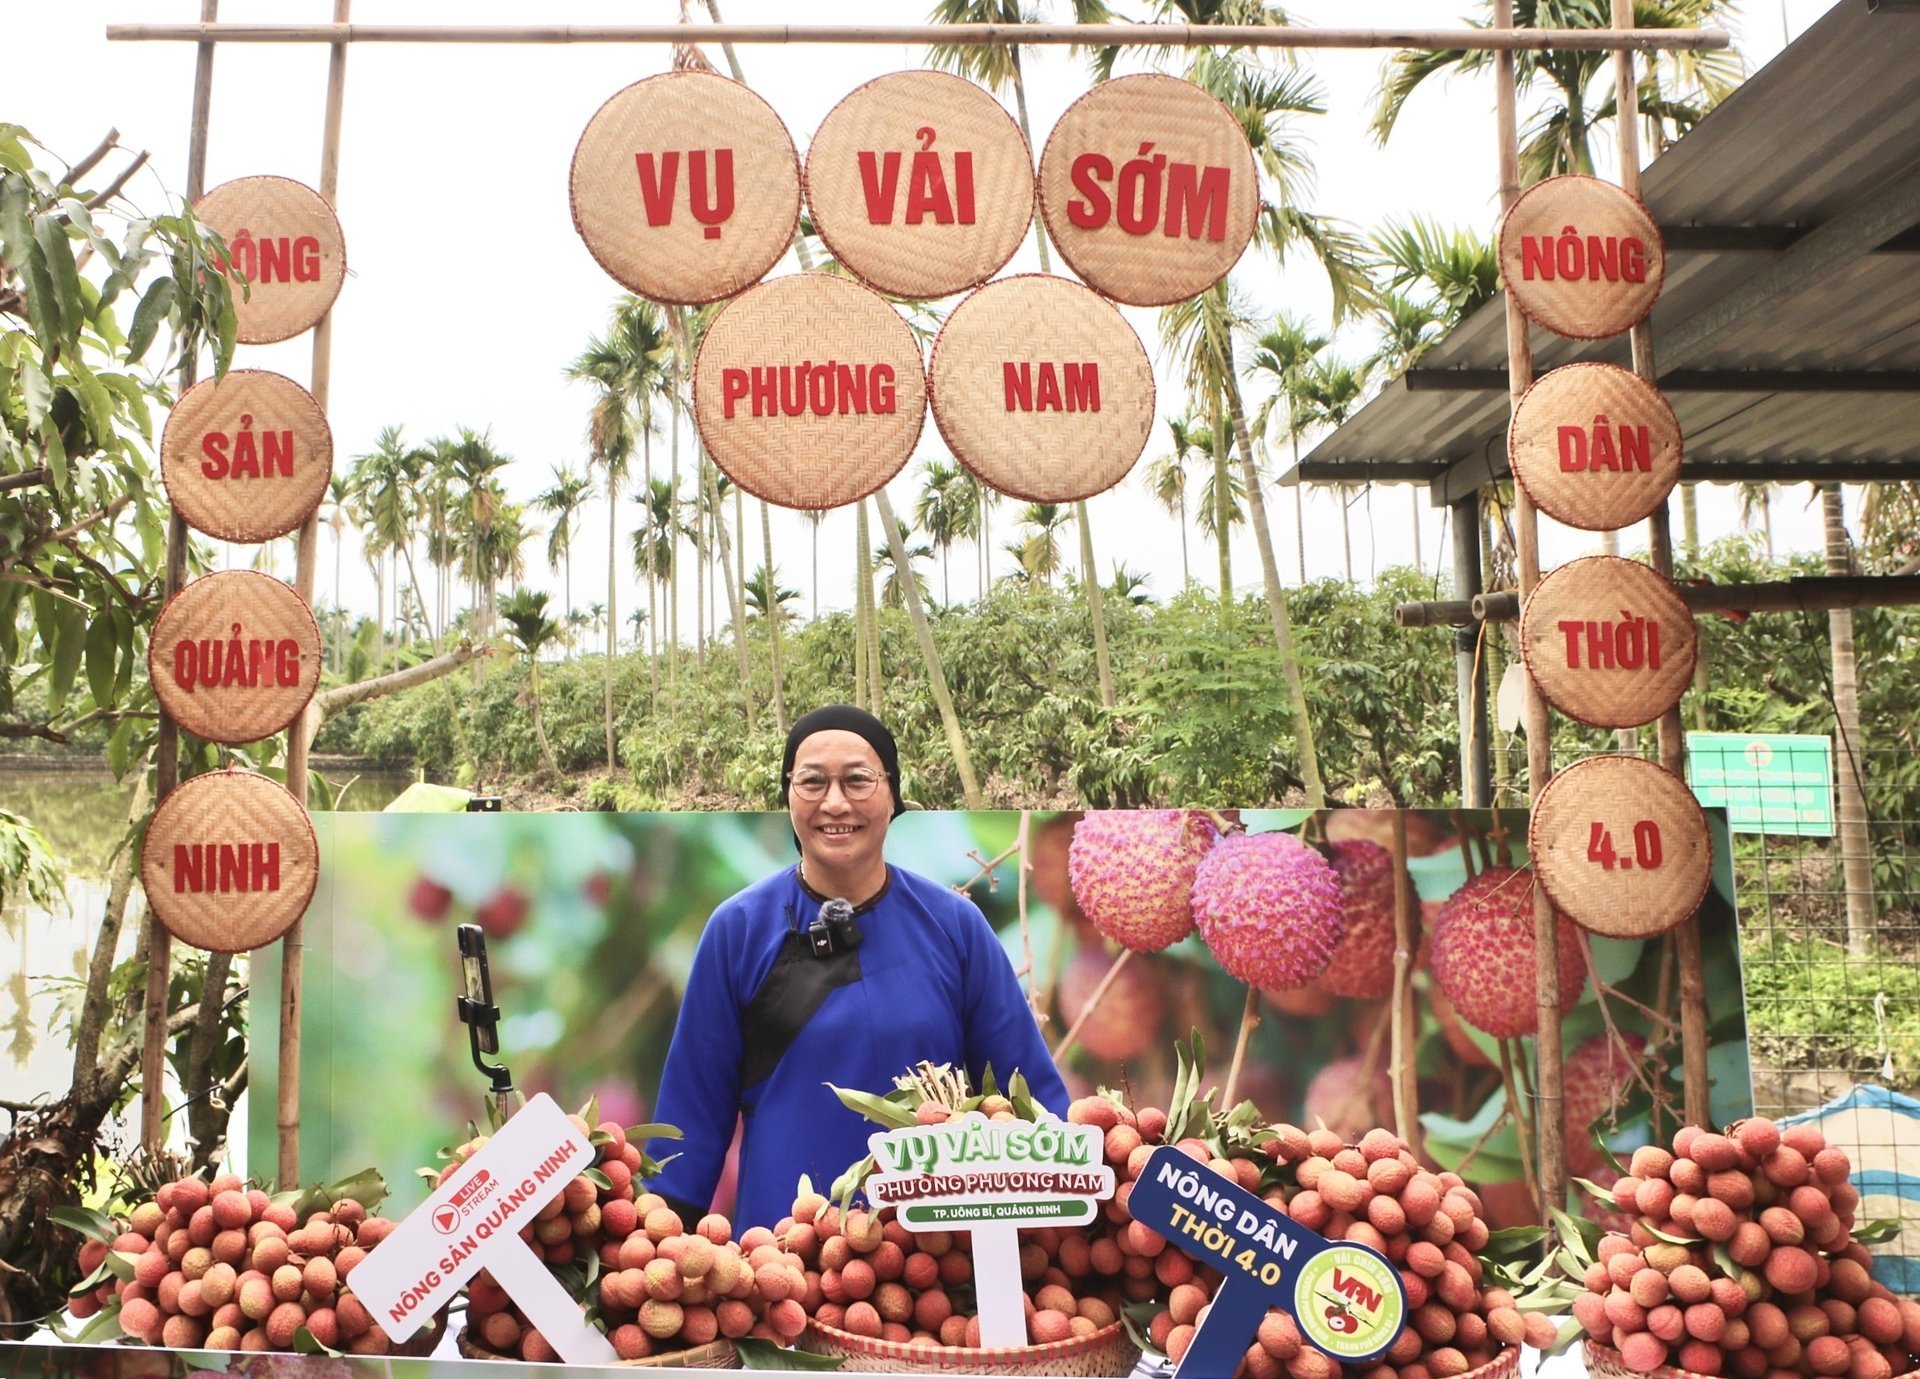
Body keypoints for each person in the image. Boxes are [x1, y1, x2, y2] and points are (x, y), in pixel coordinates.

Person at [648, 705, 1068, 1230]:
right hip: (781, 1260)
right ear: (787, 796)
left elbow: (1030, 1099)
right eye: (812, 782)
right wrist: (652, 1254)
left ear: (893, 796)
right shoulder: (738, 929)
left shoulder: (956, 926)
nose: (835, 802)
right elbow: (691, 1121)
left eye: (858, 780)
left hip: (933, 1261)